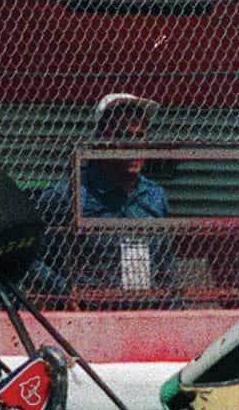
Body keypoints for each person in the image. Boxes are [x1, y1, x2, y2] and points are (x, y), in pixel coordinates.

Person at [29, 92, 172, 297]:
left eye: (140, 136)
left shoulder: (154, 196)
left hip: (144, 311)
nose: (133, 146)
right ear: (100, 141)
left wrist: (170, 305)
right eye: (123, 136)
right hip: (94, 314)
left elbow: (165, 264)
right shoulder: (70, 195)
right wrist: (66, 293)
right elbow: (30, 259)